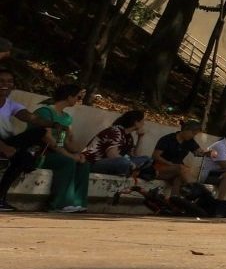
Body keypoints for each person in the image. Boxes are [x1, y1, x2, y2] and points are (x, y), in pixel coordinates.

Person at [28, 83, 92, 212]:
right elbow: (48, 139)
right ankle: (58, 204)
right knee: (67, 162)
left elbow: (64, 142)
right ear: (69, 97)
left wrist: (78, 154)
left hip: (56, 152)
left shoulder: (66, 118)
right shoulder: (45, 112)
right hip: (40, 153)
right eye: (78, 97)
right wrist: (70, 156)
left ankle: (78, 203)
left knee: (83, 164)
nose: (79, 101)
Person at [0, 67, 51, 211]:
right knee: (24, 159)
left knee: (38, 134)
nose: (5, 84)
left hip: (10, 143)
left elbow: (31, 118)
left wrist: (54, 124)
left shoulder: (11, 104)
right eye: (1, 81)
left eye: (9, 81)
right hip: (2, 145)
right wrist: (3, 148)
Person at [82, 110, 151, 177]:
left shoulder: (128, 137)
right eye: (142, 121)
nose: (144, 124)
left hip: (115, 162)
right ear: (136, 122)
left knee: (147, 159)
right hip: (93, 163)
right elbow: (112, 155)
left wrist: (140, 137)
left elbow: (136, 155)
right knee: (124, 162)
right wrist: (130, 163)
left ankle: (133, 172)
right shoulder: (115, 131)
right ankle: (135, 172)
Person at [152, 119, 210, 195]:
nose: (193, 136)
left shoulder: (190, 141)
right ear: (186, 129)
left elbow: (198, 152)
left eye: (195, 134)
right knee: (181, 168)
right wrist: (170, 164)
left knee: (178, 178)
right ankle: (197, 189)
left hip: (176, 171)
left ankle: (174, 201)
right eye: (192, 133)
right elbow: (155, 156)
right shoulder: (168, 139)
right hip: (159, 169)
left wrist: (207, 153)